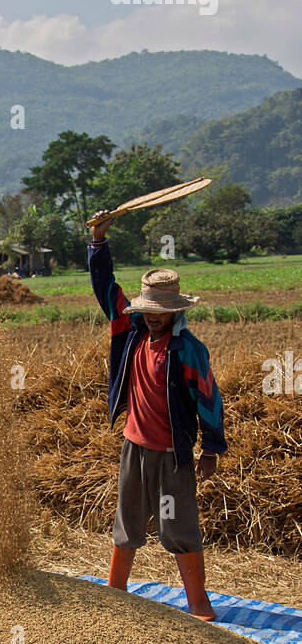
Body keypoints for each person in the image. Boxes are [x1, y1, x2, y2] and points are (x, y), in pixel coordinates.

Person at [88, 210, 227, 620]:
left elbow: (208, 399)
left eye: (159, 311)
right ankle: (116, 588)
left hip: (171, 453)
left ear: (175, 312)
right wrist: (98, 242)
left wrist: (211, 448)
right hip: (135, 446)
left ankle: (198, 602)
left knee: (176, 523)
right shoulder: (130, 333)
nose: (151, 316)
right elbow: (104, 288)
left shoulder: (187, 351)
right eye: (147, 308)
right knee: (128, 518)